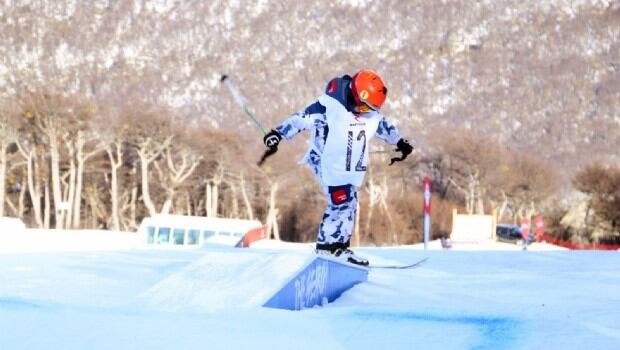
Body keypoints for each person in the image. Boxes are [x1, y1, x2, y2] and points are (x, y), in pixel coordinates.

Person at [263, 70, 413, 266]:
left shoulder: (369, 112)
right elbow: (301, 118)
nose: (366, 113)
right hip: (326, 161)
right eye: (364, 108)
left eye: (370, 110)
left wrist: (399, 141)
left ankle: (339, 247)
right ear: (355, 96)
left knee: (349, 202)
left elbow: (382, 125)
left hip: (347, 165)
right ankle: (328, 248)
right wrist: (278, 134)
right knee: (341, 201)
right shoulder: (329, 105)